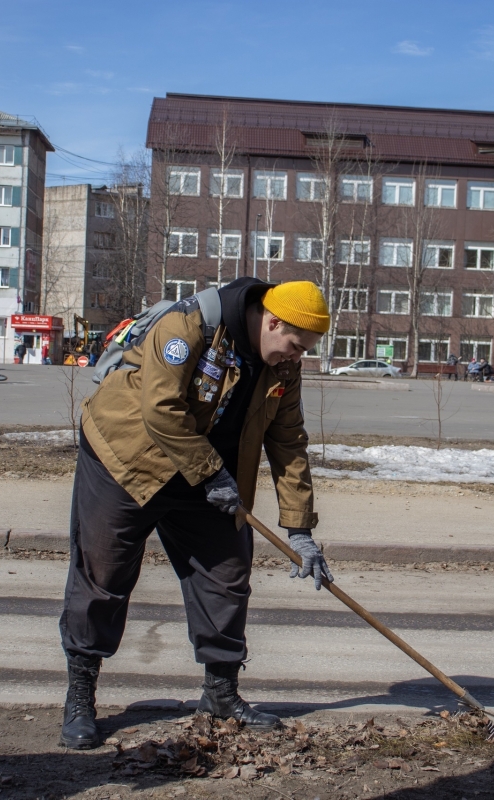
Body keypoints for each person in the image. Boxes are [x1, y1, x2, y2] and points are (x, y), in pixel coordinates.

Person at [58, 278, 330, 750]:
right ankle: (80, 697)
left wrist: (299, 529)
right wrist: (212, 474)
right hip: (127, 459)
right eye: (295, 345)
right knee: (103, 574)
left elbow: (288, 441)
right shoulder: (189, 326)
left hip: (207, 476)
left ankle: (221, 693)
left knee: (226, 575)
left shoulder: (283, 367)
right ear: (273, 322)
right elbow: (161, 409)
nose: (296, 356)